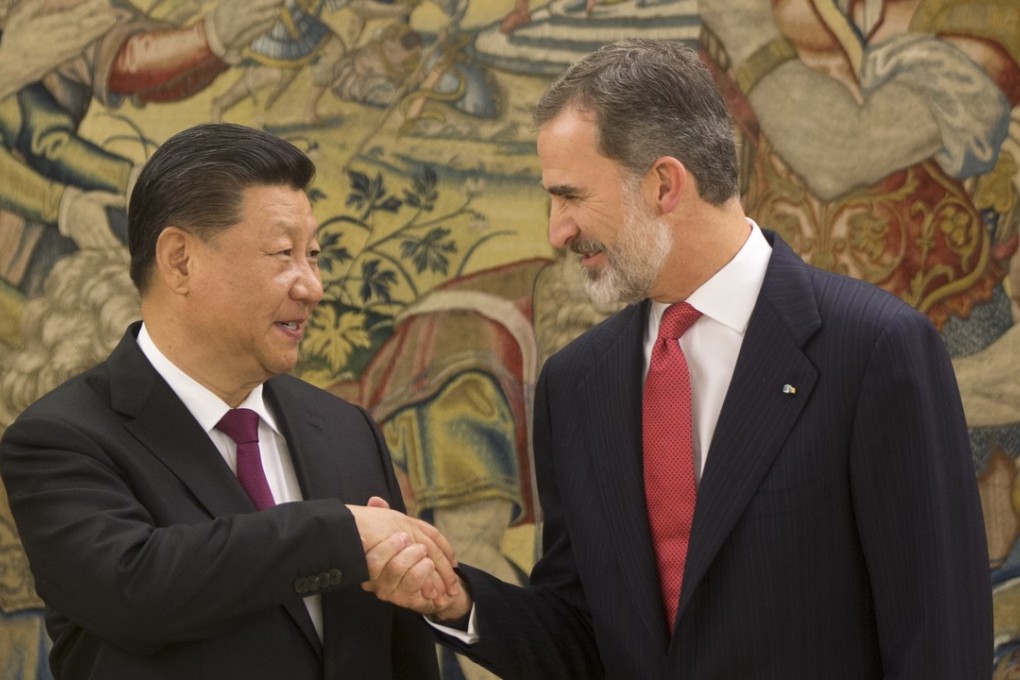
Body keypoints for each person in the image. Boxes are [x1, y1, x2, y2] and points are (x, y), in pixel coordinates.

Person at [366, 39, 993, 678]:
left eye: (572, 196)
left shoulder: (875, 349)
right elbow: (581, 636)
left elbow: (938, 641)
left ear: (665, 183)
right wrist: (457, 598)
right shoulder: (576, 383)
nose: (556, 230)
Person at [0, 122, 459, 679]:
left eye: (313, 255)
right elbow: (136, 589)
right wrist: (339, 534)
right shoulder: (59, 438)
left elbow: (401, 654)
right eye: (283, 253)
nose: (311, 286)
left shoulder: (345, 429)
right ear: (179, 261)